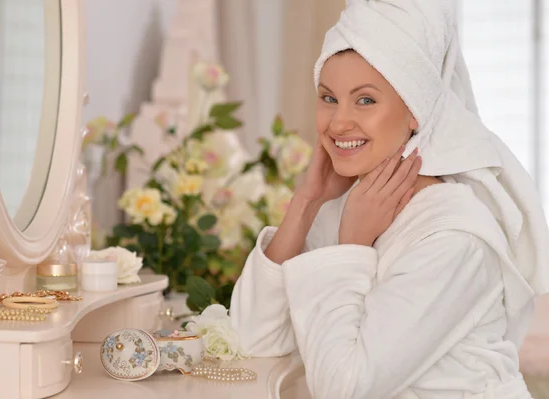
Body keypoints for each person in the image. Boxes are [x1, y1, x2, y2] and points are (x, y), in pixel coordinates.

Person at [229, 1, 549, 398]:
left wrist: (353, 246)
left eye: (365, 100)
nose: (339, 121)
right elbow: (254, 339)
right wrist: (306, 204)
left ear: (416, 109)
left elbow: (345, 388)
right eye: (329, 98)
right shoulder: (345, 209)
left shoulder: (453, 236)